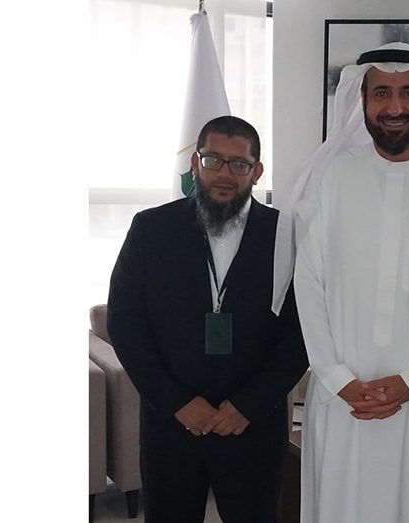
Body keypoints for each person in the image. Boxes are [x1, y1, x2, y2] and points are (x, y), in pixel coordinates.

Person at [274, 42, 409, 523]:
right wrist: (336, 377)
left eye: (408, 93)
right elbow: (308, 285)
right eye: (381, 93)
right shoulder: (331, 179)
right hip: (342, 397)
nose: (394, 107)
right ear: (362, 101)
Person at [107, 115, 308, 523]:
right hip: (172, 423)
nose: (225, 174)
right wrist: (177, 402)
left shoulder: (286, 235)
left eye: (239, 164)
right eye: (213, 160)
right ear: (195, 163)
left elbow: (302, 332)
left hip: (252, 424)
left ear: (257, 171)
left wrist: (247, 405)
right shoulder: (151, 229)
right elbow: (126, 323)